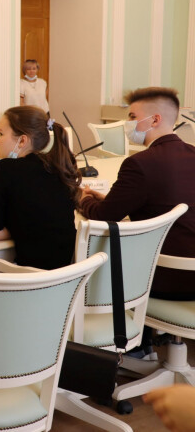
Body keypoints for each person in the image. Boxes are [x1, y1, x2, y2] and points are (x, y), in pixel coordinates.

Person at [79, 87, 195, 300]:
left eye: (132, 117)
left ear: (155, 119)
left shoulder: (139, 163)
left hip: (168, 275)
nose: (127, 123)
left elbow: (103, 216)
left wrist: (84, 199)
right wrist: (111, 200)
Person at [0, 106, 80, 270]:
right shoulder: (57, 165)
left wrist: (20, 224)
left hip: (32, 279)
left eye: (0, 133)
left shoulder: (4, 169)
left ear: (22, 140)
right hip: (68, 277)